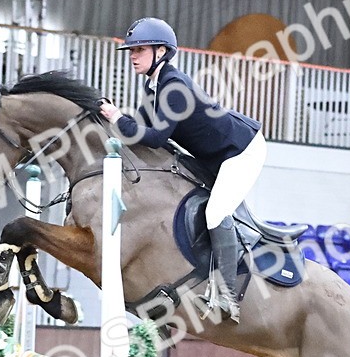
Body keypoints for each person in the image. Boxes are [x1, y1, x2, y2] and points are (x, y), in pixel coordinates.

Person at [99, 17, 264, 323]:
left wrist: (117, 117)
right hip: (215, 156)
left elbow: (156, 138)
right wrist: (111, 123)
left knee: (215, 212)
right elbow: (141, 131)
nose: (133, 56)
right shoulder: (154, 86)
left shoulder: (174, 86)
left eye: (139, 49)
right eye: (131, 50)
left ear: (161, 51)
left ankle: (228, 297)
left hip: (241, 151)